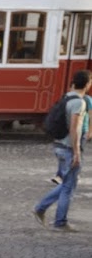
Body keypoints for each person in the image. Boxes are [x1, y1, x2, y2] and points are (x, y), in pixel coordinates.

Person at [34, 69, 90, 232]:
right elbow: (75, 128)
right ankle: (59, 221)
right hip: (68, 148)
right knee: (68, 187)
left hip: (58, 145)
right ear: (87, 84)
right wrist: (77, 151)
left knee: (67, 183)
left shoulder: (66, 97)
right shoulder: (79, 103)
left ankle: (41, 208)